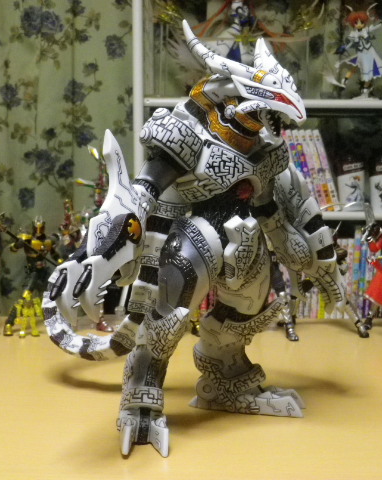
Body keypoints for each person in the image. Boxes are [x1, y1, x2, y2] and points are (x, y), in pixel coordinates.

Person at [44, 20, 344, 457]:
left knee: (249, 298)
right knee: (175, 295)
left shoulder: (266, 149)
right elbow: (141, 196)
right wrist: (97, 258)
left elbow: (287, 202)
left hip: (243, 237)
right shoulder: (187, 134)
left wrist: (317, 258)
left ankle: (226, 377)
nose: (276, 126)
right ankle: (142, 395)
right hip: (185, 235)